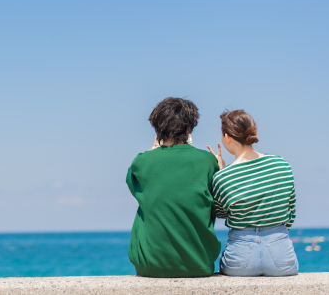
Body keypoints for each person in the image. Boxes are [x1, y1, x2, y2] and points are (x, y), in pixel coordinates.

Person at [126, 97, 221, 277]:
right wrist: (220, 168)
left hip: (149, 265)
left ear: (157, 128)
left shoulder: (141, 162)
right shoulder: (208, 161)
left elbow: (136, 186)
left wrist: (152, 152)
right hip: (199, 263)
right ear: (190, 128)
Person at [207, 110, 298, 276]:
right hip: (281, 255)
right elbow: (291, 211)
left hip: (240, 258)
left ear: (227, 137)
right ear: (254, 132)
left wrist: (221, 170)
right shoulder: (282, 165)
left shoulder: (223, 177)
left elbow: (220, 213)